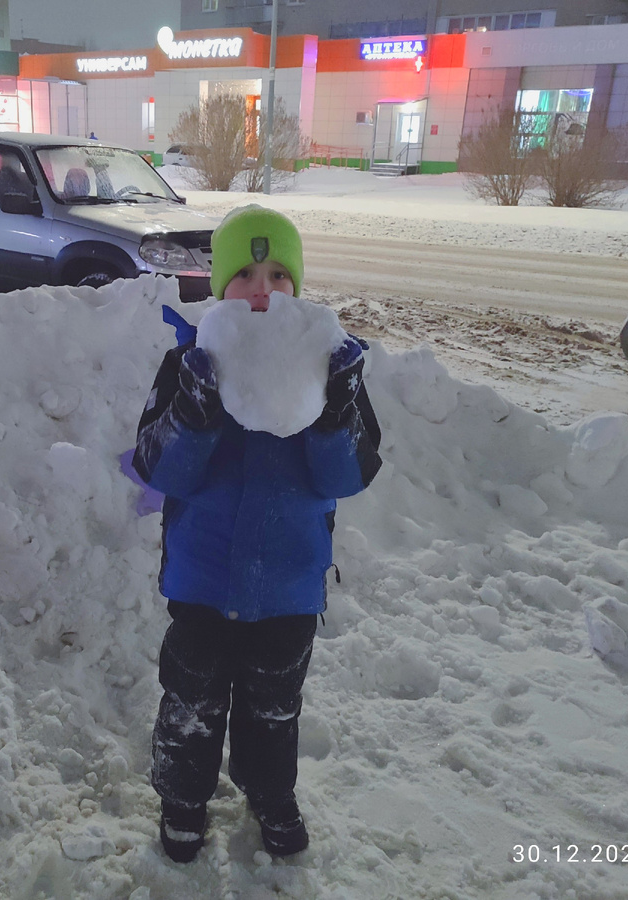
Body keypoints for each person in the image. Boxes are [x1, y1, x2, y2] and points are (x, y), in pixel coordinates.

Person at [133, 205, 382, 862]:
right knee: (191, 699)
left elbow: (349, 475)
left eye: (278, 273)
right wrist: (194, 409)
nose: (263, 289)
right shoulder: (188, 364)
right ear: (219, 286)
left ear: (298, 285)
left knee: (274, 706)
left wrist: (336, 413)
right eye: (244, 273)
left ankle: (270, 791)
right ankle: (182, 796)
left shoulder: (326, 367)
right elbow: (160, 469)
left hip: (288, 585)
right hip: (204, 580)